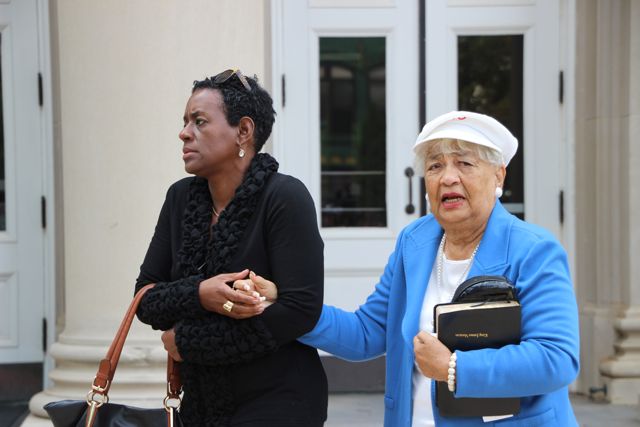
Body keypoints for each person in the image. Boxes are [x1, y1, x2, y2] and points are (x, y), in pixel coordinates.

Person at [248, 111, 580, 426]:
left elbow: (556, 358)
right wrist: (287, 306)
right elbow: (367, 332)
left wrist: (454, 368)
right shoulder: (416, 242)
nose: (448, 177)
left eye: (464, 163)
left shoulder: (533, 250)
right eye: (435, 166)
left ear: (499, 175)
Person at [134, 69, 327, 427]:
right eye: (185, 122)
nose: (184, 132)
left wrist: (188, 341)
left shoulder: (285, 197)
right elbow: (145, 299)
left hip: (280, 401)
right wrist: (200, 293)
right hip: (201, 404)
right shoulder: (180, 199)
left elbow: (299, 310)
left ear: (243, 131)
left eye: (199, 121)